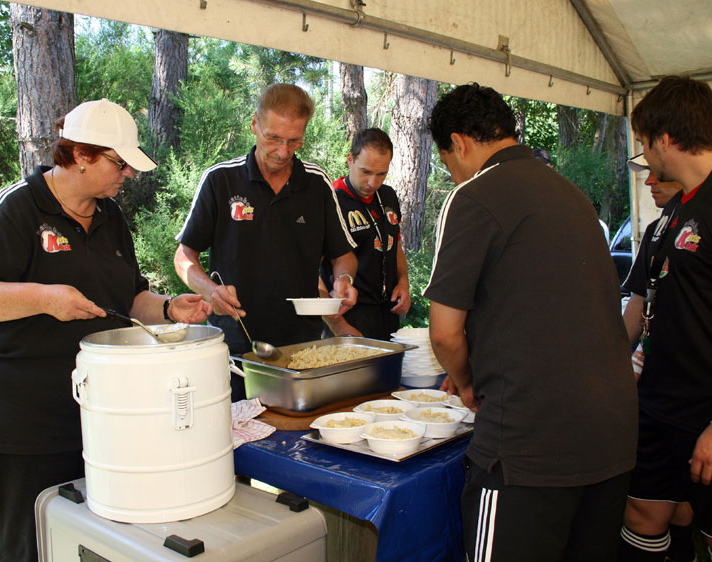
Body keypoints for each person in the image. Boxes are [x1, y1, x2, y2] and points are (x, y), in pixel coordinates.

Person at [0, 98, 212, 562]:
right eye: (119, 162)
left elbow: (128, 302)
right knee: (23, 546)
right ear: (81, 154)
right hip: (19, 415)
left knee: (87, 542)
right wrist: (46, 298)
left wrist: (170, 308)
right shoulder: (18, 207)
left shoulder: (111, 218)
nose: (128, 174)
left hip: (98, 411)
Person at [424, 83, 638, 562]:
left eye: (448, 162)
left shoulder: (474, 196)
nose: (454, 173)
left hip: (530, 446)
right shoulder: (572, 195)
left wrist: (465, 382)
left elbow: (443, 331)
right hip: (611, 433)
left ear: (459, 143)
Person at [617, 76, 712, 562]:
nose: (645, 157)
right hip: (658, 406)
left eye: (645, 143)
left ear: (665, 139)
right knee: (642, 517)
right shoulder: (676, 211)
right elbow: (647, 309)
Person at [173, 84, 358, 398]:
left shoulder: (316, 183)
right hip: (234, 343)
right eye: (273, 138)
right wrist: (211, 291)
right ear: (255, 125)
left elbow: (344, 254)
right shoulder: (221, 180)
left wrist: (343, 279)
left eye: (294, 141)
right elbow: (184, 256)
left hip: (302, 347)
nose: (283, 152)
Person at [621, 155, 694, 562]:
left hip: (704, 401)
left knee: (693, 507)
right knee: (649, 504)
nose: (648, 182)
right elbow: (638, 305)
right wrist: (615, 367)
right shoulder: (656, 229)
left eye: (657, 171)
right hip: (654, 398)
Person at [320, 128, 410, 340]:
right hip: (347, 315)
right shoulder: (331, 201)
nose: (373, 183)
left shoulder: (387, 196)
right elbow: (308, 274)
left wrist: (403, 281)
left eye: (381, 174)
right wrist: (337, 324)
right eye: (366, 172)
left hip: (388, 312)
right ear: (350, 159)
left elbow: (394, 245)